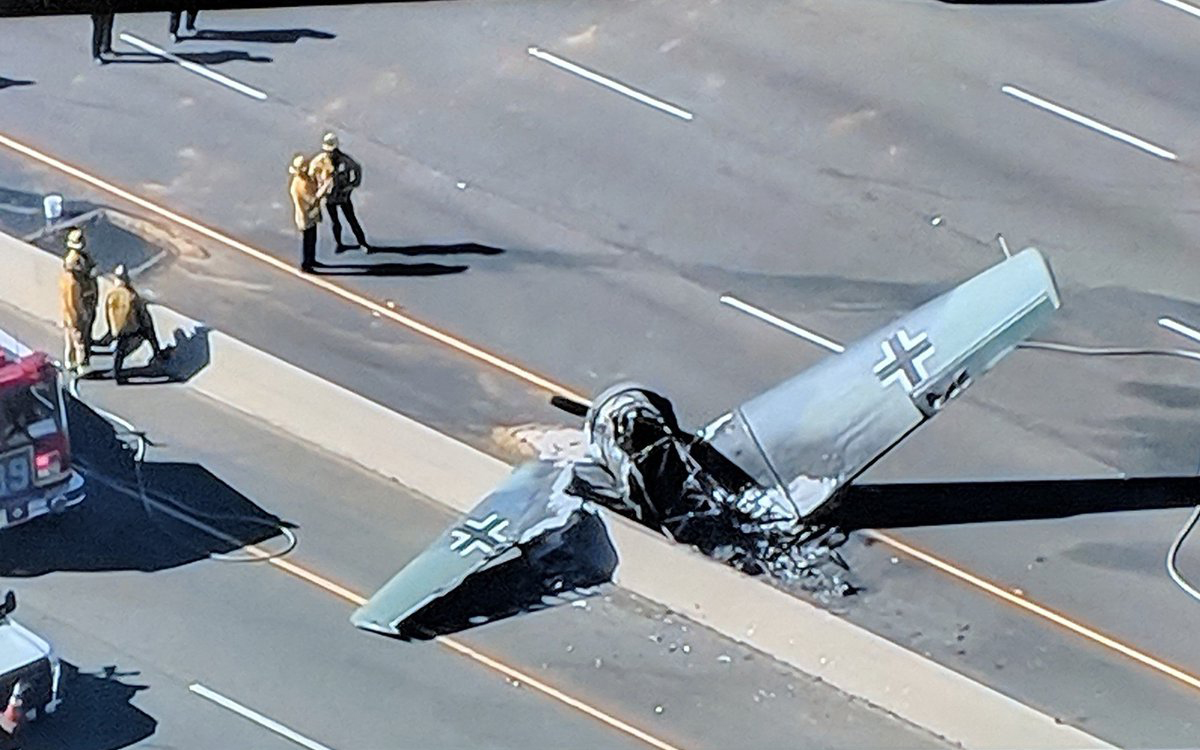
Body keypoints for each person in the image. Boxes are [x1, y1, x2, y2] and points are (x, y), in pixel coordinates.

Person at [307, 131, 370, 252]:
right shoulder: (320, 161)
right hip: (330, 197)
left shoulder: (345, 161)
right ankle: (339, 243)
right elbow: (311, 172)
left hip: (342, 196)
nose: (331, 154)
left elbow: (357, 168)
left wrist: (352, 185)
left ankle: (362, 242)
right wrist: (318, 184)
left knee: (351, 219)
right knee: (335, 221)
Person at [105, 265, 165, 384]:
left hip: (117, 327)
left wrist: (111, 328)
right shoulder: (131, 295)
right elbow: (140, 313)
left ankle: (116, 371)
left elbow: (107, 312)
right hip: (131, 326)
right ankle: (157, 352)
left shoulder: (111, 294)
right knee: (147, 335)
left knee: (120, 350)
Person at [59, 228, 99, 372]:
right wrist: (79, 315)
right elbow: (72, 302)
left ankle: (71, 360)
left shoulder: (82, 259)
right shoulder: (72, 281)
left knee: (73, 337)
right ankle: (80, 364)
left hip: (84, 305)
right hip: (77, 311)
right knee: (78, 339)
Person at [288, 153, 326, 272]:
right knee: (308, 240)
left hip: (309, 215)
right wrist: (323, 190)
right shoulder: (301, 184)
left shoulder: (303, 180)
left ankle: (311, 259)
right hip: (305, 215)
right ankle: (306, 263)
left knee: (312, 238)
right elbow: (311, 199)